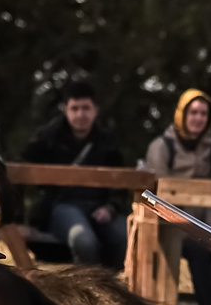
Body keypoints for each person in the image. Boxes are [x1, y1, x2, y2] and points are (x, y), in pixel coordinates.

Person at [21, 80, 130, 266]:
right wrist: (20, 221)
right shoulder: (48, 139)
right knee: (83, 240)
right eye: (75, 108)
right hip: (62, 206)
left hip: (99, 206)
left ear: (95, 109)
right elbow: (22, 172)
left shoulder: (108, 141)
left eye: (86, 108)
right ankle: (89, 290)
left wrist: (110, 207)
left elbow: (119, 183)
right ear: (66, 109)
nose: (81, 114)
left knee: (124, 237)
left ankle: (111, 285)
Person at [144, 89, 211, 305]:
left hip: (206, 223)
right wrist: (193, 232)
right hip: (171, 225)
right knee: (199, 253)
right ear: (182, 115)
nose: (198, 118)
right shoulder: (162, 146)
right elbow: (158, 196)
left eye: (203, 114)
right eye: (193, 112)